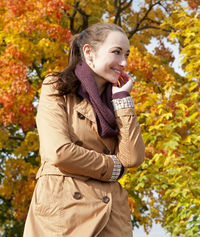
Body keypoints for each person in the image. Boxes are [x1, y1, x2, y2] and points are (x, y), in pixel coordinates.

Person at [23, 22, 145, 237]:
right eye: (116, 52)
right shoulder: (56, 87)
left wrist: (123, 100)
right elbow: (59, 152)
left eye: (127, 54)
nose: (124, 62)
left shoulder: (117, 98)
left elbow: (133, 158)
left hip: (111, 217)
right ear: (89, 52)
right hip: (65, 213)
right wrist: (113, 168)